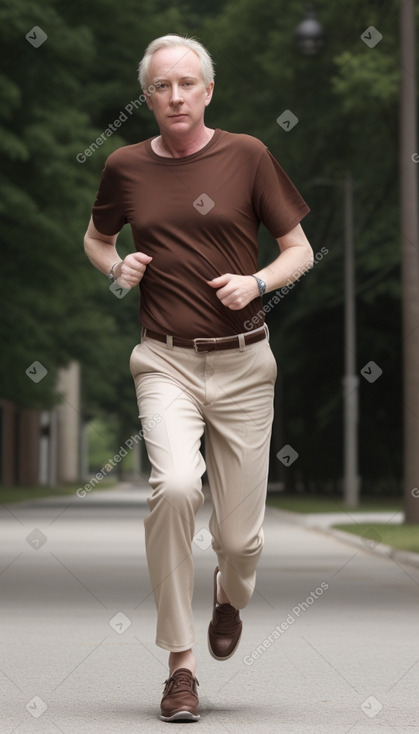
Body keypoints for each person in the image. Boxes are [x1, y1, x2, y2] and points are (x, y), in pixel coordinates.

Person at [84, 33, 313, 722]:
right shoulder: (125, 167)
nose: (175, 96)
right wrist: (115, 269)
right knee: (176, 485)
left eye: (187, 83)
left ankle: (228, 595)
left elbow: (297, 249)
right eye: (161, 86)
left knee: (240, 543)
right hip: (164, 360)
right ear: (147, 96)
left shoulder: (247, 156)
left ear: (207, 90)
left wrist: (257, 281)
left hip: (243, 364)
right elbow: (96, 239)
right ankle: (180, 668)